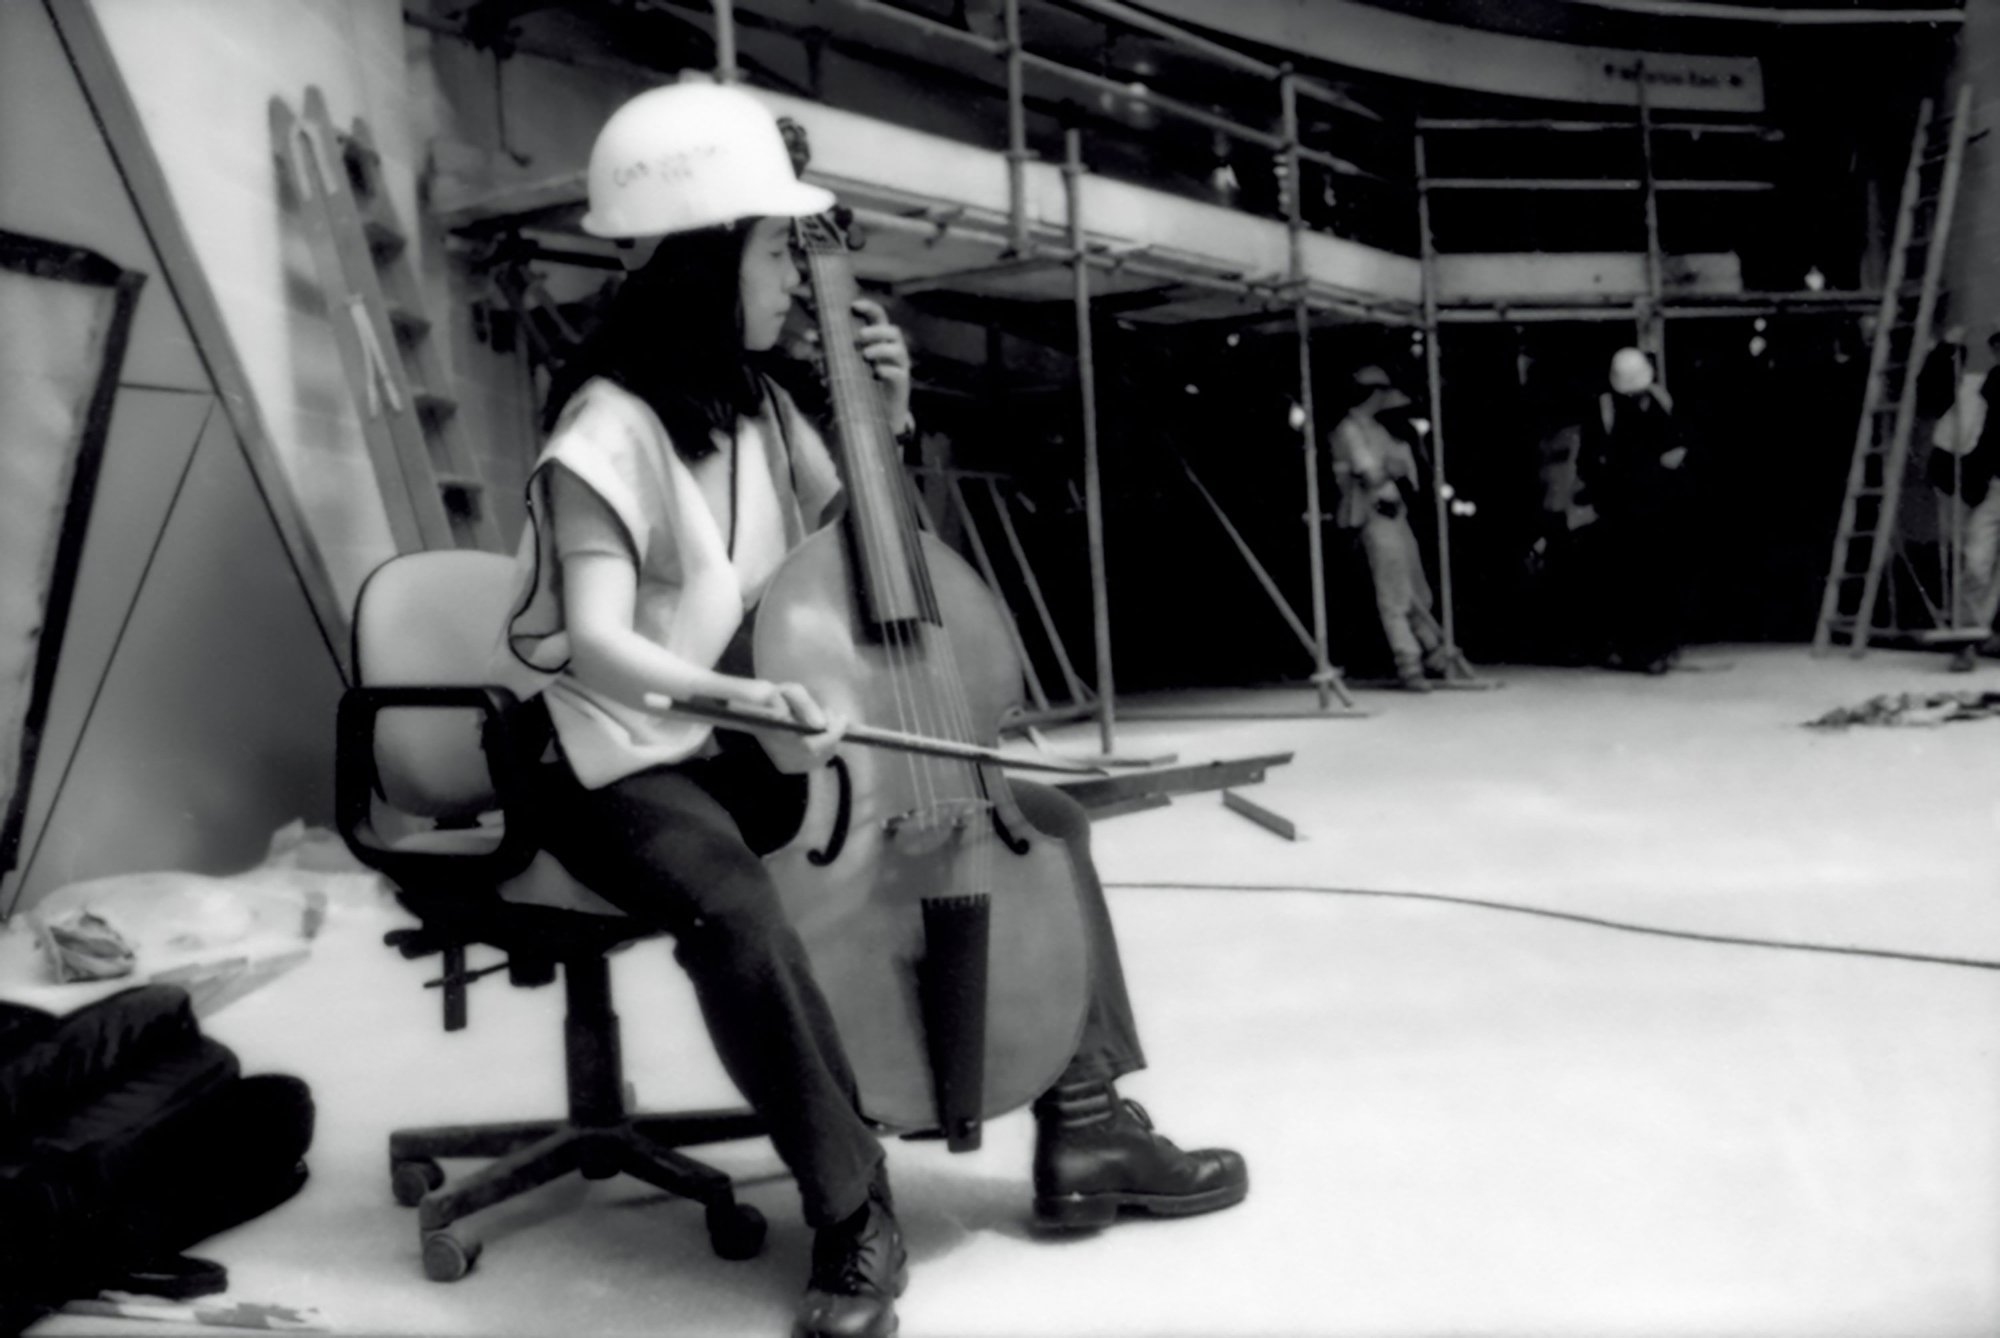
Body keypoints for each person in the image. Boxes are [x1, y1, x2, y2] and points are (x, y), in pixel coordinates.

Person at [490, 80, 1246, 1338]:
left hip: (735, 723)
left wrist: (882, 419)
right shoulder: (606, 427)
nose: (796, 272)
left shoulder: (763, 408)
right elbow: (605, 651)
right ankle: (851, 1213)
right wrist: (743, 690)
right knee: (729, 899)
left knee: (1037, 821)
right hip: (608, 750)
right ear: (704, 251)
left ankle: (1088, 1124)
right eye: (778, 245)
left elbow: (866, 562)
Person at [1329, 364, 1449, 689]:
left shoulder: (1378, 429)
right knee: (1394, 592)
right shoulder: (1349, 430)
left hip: (1395, 513)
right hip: (1372, 514)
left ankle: (1434, 650)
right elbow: (1372, 475)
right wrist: (1390, 468)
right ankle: (1409, 660)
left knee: (1416, 586)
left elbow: (1404, 469)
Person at [1574, 347, 1691, 675]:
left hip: (1659, 508)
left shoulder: (1660, 402)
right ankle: (1636, 651)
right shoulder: (1605, 409)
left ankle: (1657, 649)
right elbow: (1588, 462)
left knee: (1657, 580)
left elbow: (1680, 440)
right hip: (1621, 511)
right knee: (1628, 581)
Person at [1921, 328, 2000, 670]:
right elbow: (1934, 394)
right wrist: (1948, 346)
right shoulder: (1979, 387)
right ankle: (1967, 640)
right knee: (1976, 563)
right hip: (1992, 486)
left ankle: (1985, 636)